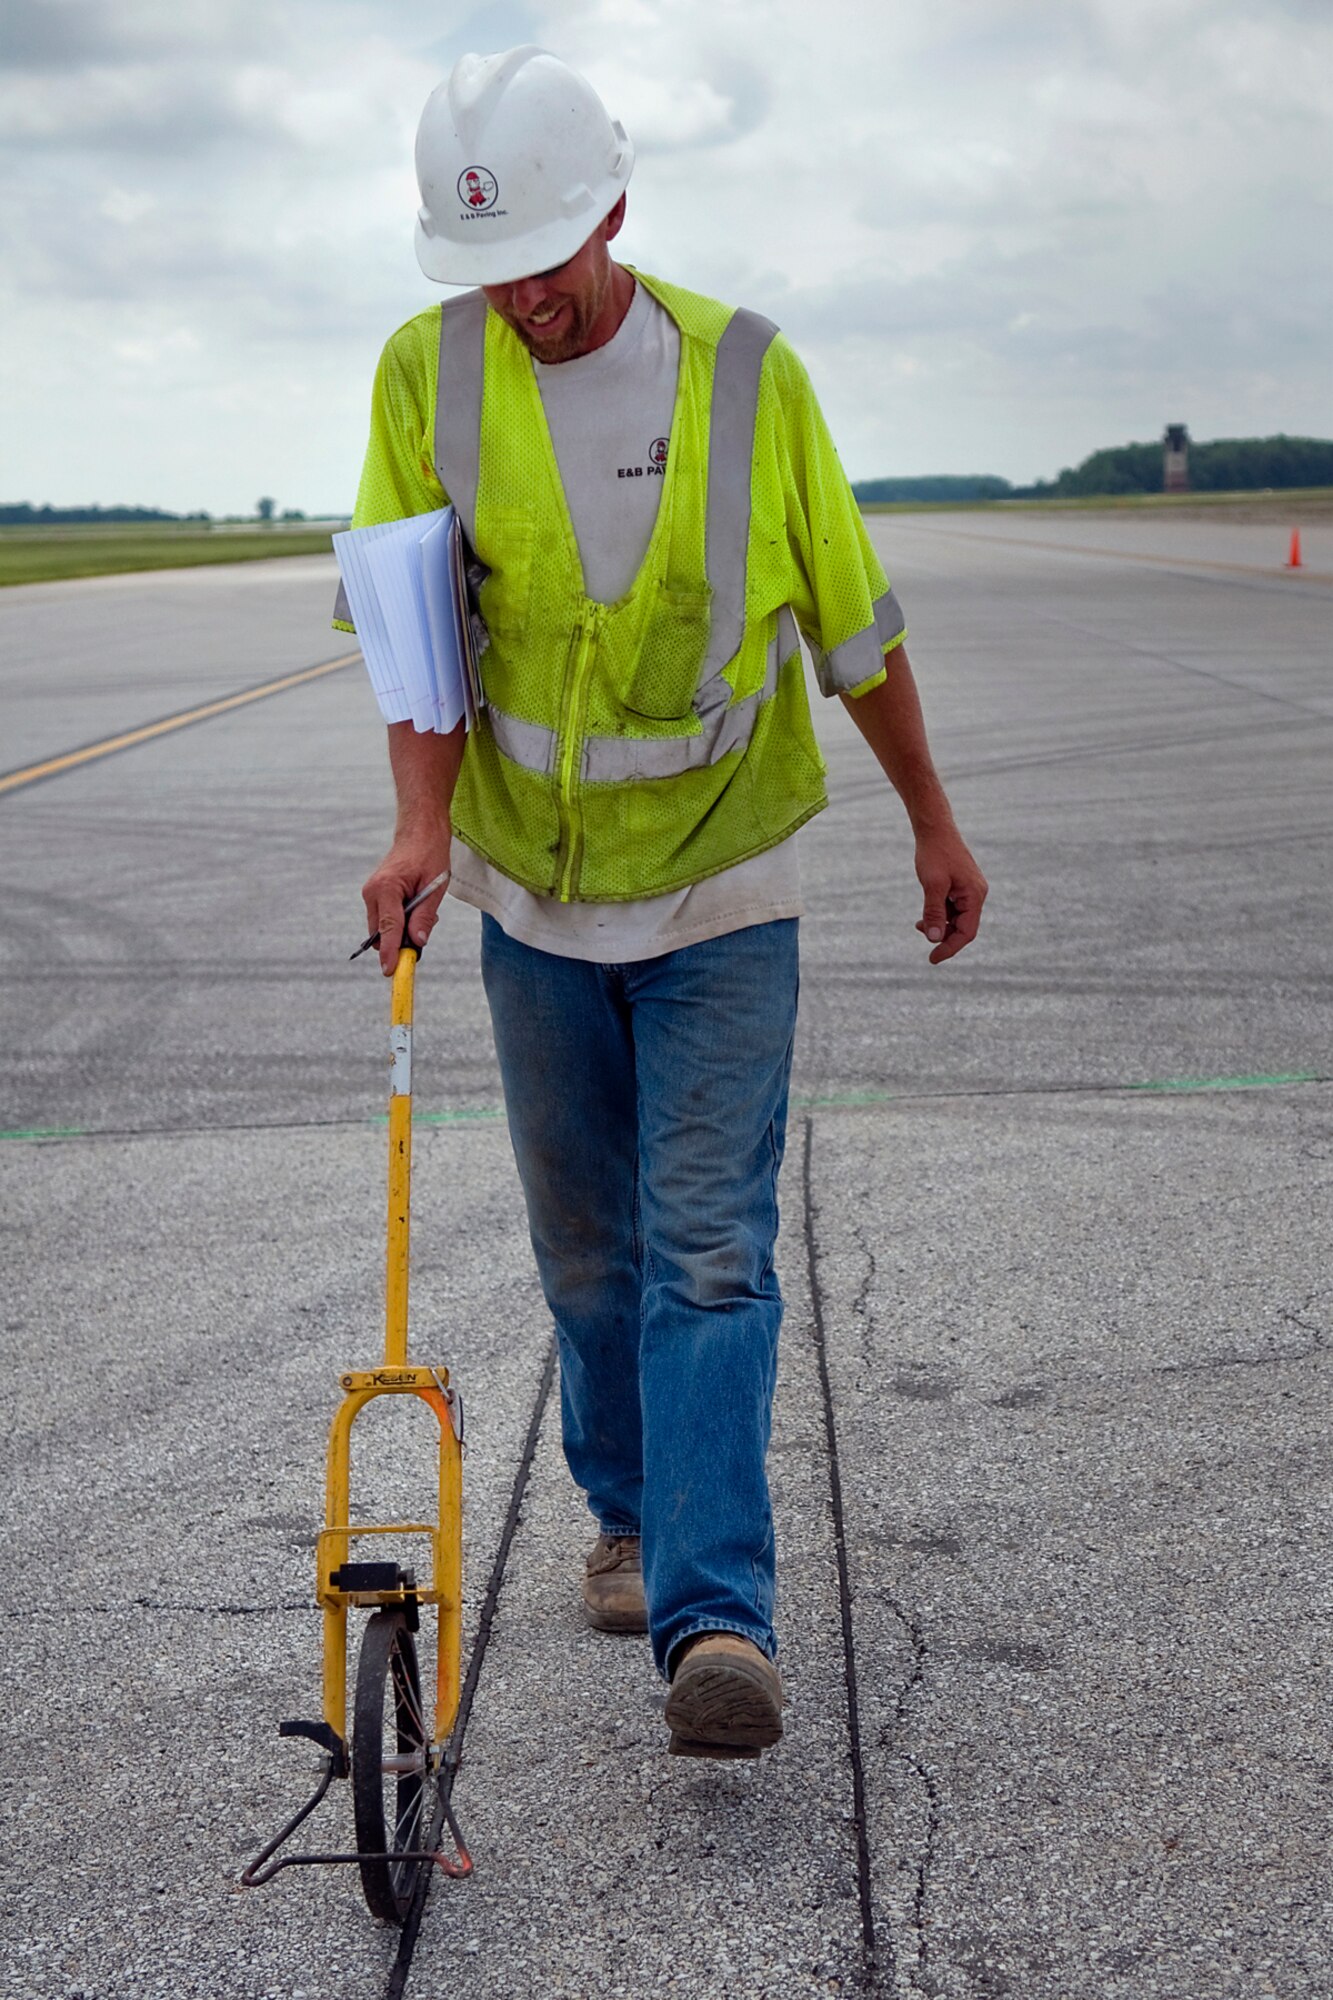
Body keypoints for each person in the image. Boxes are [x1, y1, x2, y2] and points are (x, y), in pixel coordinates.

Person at [343, 45, 987, 1758]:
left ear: (615, 212)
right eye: (488, 267)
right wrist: (417, 833)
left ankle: (717, 1621)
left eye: (545, 259)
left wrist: (932, 821)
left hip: (722, 881)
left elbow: (854, 627)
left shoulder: (750, 374)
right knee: (586, 1254)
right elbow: (416, 646)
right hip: (531, 902)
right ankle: (623, 1512)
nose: (522, 297)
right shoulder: (429, 374)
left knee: (708, 1251)